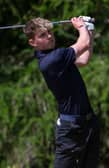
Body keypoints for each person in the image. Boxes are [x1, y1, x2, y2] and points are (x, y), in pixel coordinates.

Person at [23, 16, 100, 168]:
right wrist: (80, 27)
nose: (50, 36)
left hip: (88, 123)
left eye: (50, 32)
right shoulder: (52, 60)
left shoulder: (58, 56)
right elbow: (82, 43)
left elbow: (84, 59)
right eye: (42, 35)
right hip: (70, 128)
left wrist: (89, 30)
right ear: (32, 42)